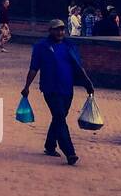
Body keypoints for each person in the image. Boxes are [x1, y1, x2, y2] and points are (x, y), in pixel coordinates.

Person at [22, 19, 94, 165]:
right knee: (60, 117)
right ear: (50, 31)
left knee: (59, 117)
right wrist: (27, 86)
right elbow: (34, 68)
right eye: (57, 29)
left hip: (67, 89)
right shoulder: (41, 47)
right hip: (50, 89)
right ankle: (69, 152)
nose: (60, 32)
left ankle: (49, 145)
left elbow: (79, 67)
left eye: (62, 29)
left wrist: (88, 84)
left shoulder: (70, 46)